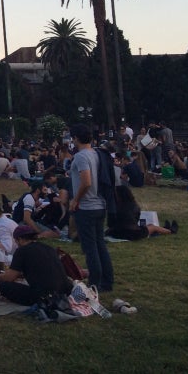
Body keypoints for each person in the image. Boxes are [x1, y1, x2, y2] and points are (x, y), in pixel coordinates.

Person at [70, 124, 114, 293]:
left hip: (87, 206)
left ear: (75, 139)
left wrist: (76, 199)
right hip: (99, 204)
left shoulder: (81, 156)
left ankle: (95, 283)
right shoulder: (96, 153)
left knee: (90, 248)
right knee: (100, 244)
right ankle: (107, 281)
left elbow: (86, 181)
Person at [0, 225, 73, 306]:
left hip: (45, 296)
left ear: (19, 239)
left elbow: (9, 277)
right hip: (65, 291)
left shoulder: (22, 251)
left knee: (4, 286)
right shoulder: (49, 248)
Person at [108, 185, 175, 240]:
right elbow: (136, 220)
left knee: (149, 227)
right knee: (152, 227)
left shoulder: (115, 207)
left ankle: (165, 229)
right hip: (131, 233)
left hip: (118, 232)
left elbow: (111, 223)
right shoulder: (134, 206)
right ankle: (170, 231)